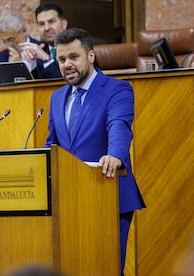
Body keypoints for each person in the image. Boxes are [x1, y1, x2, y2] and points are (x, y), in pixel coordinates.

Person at [44, 28, 145, 275]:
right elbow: (52, 146)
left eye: (74, 57)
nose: (67, 64)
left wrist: (115, 155)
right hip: (67, 201)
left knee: (105, 268)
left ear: (90, 56)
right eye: (62, 59)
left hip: (107, 193)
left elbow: (119, 125)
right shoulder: (57, 97)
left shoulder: (116, 89)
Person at [19, 3, 68, 79]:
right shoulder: (39, 51)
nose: (46, 28)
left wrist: (46, 59)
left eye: (51, 21)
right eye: (41, 24)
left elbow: (66, 84)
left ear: (64, 24)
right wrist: (29, 62)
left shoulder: (76, 49)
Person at [0, 12, 41, 84]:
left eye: (11, 39)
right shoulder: (2, 56)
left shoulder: (41, 48)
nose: (8, 45)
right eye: (4, 41)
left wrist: (19, 67)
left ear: (24, 31)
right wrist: (11, 68)